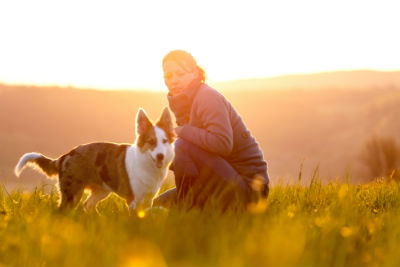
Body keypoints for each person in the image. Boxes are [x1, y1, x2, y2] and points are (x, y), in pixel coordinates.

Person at [154, 50, 270, 211]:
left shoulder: (207, 97)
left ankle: (186, 207)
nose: (174, 80)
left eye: (180, 74)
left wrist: (182, 131)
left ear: (194, 73)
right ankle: (188, 205)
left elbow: (222, 144)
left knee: (182, 145)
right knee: (159, 204)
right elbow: (196, 153)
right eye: (168, 76)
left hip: (250, 190)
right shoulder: (184, 101)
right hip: (222, 178)